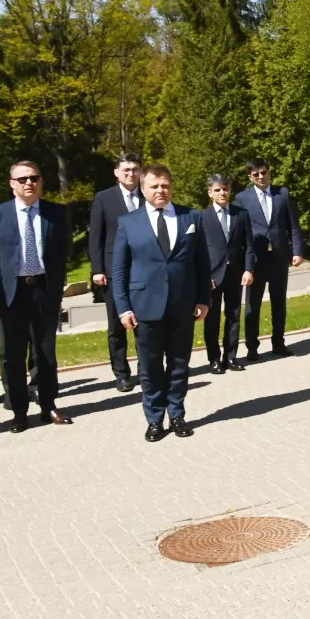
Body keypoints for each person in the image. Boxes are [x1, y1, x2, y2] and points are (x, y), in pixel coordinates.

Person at [110, 164, 209, 441]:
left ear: (171, 187)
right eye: (154, 186)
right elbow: (119, 269)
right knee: (150, 367)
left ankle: (177, 415)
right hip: (145, 307)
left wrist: (203, 298)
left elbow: (202, 264)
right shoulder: (129, 223)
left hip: (183, 305)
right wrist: (123, 307)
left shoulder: (192, 217)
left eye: (165, 185)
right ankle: (154, 419)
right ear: (142, 190)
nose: (160, 190)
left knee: (179, 364)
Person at [0, 160, 72, 432]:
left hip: (44, 289)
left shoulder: (56, 213)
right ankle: (19, 411)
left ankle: (48, 406)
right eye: (22, 179)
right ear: (12, 185)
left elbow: (62, 252)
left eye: (34, 177)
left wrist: (57, 288)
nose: (28, 183)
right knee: (13, 353)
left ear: (41, 181)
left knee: (45, 352)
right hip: (12, 292)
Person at [236, 158, 304, 359]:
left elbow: (293, 226)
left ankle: (279, 343)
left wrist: (297, 251)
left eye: (263, 172)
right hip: (255, 260)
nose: (260, 177)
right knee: (252, 306)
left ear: (269, 172)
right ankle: (252, 348)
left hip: (279, 258)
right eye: (255, 174)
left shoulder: (282, 194)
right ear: (250, 177)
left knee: (279, 302)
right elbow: (239, 233)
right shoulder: (242, 198)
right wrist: (243, 262)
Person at [87, 153, 143, 392]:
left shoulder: (148, 194)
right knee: (117, 326)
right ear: (117, 172)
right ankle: (121, 374)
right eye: (127, 170)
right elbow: (96, 236)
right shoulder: (104, 198)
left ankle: (147, 369)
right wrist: (97, 269)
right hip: (113, 271)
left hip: (143, 270)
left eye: (135, 169)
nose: (131, 174)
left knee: (145, 323)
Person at [201, 174, 254, 374]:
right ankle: (214, 359)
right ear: (210, 193)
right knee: (212, 318)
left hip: (236, 274)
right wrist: (205, 276)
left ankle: (230, 357)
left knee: (233, 316)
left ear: (229, 191)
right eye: (217, 190)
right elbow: (199, 251)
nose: (222, 193)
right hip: (213, 277)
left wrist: (249, 269)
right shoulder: (202, 217)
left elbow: (248, 245)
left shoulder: (241, 214)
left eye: (224, 189)